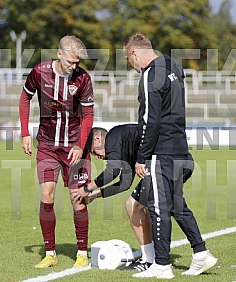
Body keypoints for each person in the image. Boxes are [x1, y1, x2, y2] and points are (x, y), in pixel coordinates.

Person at [123, 32, 218, 279]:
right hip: (180, 149)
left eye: (129, 60)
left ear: (134, 53)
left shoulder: (149, 75)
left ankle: (162, 265)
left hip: (161, 152)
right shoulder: (172, 65)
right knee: (176, 204)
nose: (131, 66)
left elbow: (149, 119)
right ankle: (201, 253)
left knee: (158, 207)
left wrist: (141, 156)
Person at [73, 124, 194, 272]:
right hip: (180, 162)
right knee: (169, 208)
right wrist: (96, 195)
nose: (98, 157)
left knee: (134, 206)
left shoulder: (112, 137)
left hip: (168, 164)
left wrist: (86, 188)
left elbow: (112, 171)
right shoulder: (124, 145)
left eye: (94, 152)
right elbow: (124, 183)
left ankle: (150, 260)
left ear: (98, 139)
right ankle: (196, 251)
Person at [19, 35, 94, 268]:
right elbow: (25, 98)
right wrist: (24, 133)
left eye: (78, 62)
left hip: (75, 146)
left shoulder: (83, 79)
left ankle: (82, 253)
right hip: (48, 146)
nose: (75, 66)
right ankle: (50, 253)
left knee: (78, 199)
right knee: (47, 196)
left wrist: (81, 146)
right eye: (72, 61)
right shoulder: (39, 72)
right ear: (59, 54)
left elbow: (88, 115)